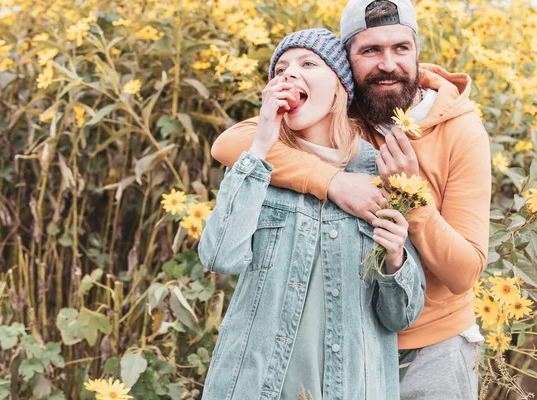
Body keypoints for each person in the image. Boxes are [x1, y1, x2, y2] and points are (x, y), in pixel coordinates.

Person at [210, 1, 491, 399]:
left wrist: (413, 200)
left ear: (416, 52)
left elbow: (464, 274)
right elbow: (230, 142)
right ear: (347, 62)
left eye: (400, 48)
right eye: (370, 51)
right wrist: (334, 182)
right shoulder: (336, 107)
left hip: (436, 346)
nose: (387, 64)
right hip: (345, 341)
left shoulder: (463, 131)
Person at [198, 28, 425, 400]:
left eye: (308, 64)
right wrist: (262, 141)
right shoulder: (259, 165)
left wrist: (395, 258)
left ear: (340, 86)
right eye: (280, 69)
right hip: (255, 386)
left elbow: (400, 316)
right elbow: (219, 256)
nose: (289, 74)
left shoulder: (378, 171)